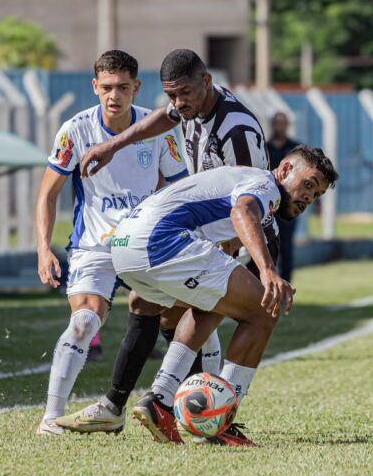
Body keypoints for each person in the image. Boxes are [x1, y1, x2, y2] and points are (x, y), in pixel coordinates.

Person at [58, 49, 271, 434]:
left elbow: (250, 202)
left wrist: (231, 254)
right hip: (210, 231)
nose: (177, 104)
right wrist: (113, 145)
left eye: (183, 94)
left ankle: (207, 417)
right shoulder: (192, 103)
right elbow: (160, 120)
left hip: (242, 240)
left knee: (204, 316)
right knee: (154, 305)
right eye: (171, 95)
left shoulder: (235, 130)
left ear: (206, 82)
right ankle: (135, 406)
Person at [117, 146, 338, 445]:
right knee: (263, 309)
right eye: (308, 184)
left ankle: (160, 398)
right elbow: (242, 210)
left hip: (125, 247)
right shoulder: (265, 185)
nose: (309, 197)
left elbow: (228, 235)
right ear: (285, 170)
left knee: (218, 299)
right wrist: (267, 271)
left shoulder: (240, 180)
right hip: (160, 239)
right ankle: (220, 418)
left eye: (317, 194)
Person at [34, 50, 188, 435]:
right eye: (106, 88)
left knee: (189, 315)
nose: (113, 96)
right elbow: (47, 195)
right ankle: (51, 418)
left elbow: (181, 187)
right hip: (95, 246)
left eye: (122, 87)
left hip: (145, 243)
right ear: (95, 87)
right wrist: (42, 248)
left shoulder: (160, 129)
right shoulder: (75, 131)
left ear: (137, 87)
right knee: (84, 322)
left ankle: (204, 403)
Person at [266, 112, 300, 282]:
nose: (280, 126)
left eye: (283, 123)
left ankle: (286, 283)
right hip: (267, 206)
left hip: (287, 206)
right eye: (277, 123)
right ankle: (268, 283)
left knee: (286, 246)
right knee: (267, 246)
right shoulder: (264, 148)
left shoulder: (296, 149)